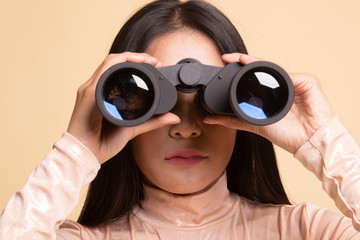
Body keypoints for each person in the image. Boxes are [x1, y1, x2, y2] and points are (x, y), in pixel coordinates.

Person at [1, 0, 360, 239]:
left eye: (210, 103)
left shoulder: (304, 231)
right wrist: (76, 152)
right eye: (152, 103)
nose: (186, 127)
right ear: (123, 117)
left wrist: (321, 139)